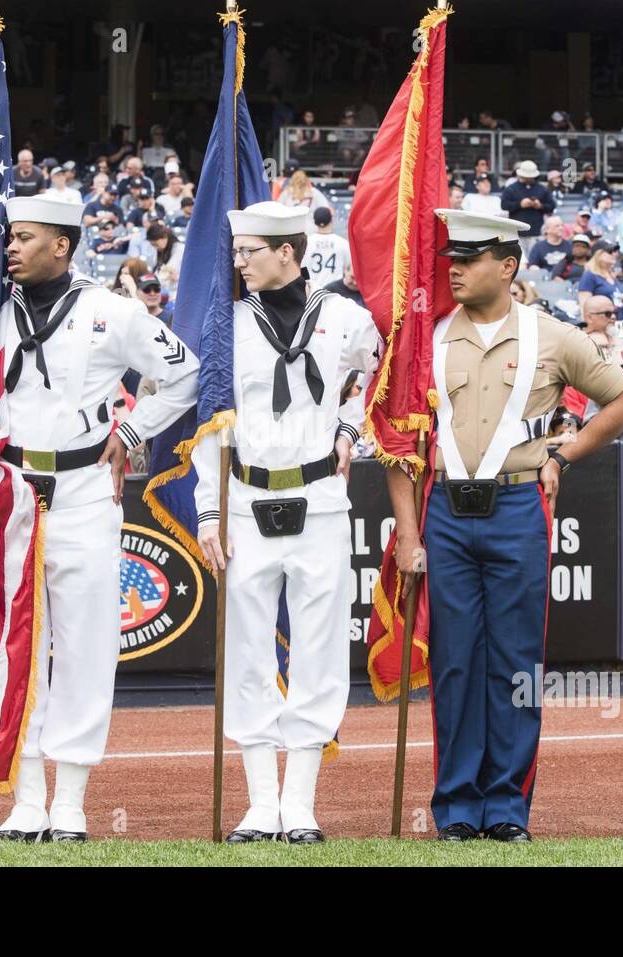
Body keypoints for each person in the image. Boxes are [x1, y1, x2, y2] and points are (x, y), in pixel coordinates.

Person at [391, 210, 623, 843]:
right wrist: (410, 536)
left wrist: (563, 454)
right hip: (444, 512)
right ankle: (455, 808)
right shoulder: (429, 337)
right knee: (454, 664)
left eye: (468, 261)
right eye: (451, 260)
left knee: (516, 663)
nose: (455, 270)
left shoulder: (551, 336)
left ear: (507, 265)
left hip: (516, 508)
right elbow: (399, 441)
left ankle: (505, 807)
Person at [0, 192, 199, 842]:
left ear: (63, 244)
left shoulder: (112, 311)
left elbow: (184, 372)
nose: (12, 248)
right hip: (12, 485)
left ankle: (70, 800)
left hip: (83, 486)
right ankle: (25, 800)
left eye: (26, 237)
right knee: (17, 642)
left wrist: (133, 432)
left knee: (83, 644)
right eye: (10, 238)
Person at [191, 202, 379, 845]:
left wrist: (352, 428)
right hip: (246, 497)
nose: (238, 262)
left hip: (320, 497)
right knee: (247, 650)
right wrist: (209, 510)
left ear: (289, 252)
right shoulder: (225, 326)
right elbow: (209, 421)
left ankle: (299, 801)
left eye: (250, 251)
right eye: (237, 251)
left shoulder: (346, 318)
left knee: (321, 650)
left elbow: (386, 379)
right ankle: (258, 805)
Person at [499, 160, 554, 247]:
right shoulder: (512, 188)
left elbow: (551, 206)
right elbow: (504, 205)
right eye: (526, 176)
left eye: (530, 177)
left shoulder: (542, 189)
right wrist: (520, 204)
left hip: (536, 232)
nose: (528, 179)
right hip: (517, 233)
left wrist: (540, 206)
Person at [304, 206, 349, 286]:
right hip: (336, 292)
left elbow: (302, 268)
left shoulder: (306, 242)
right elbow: (348, 268)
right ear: (331, 220)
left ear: (315, 222)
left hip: (312, 291)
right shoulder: (343, 243)